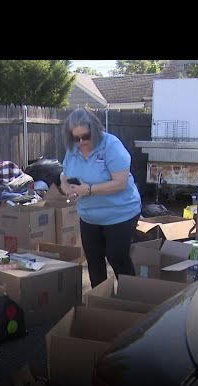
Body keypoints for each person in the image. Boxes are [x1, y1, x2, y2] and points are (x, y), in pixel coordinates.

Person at [60, 108, 142, 288]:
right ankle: (101, 302)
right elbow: (63, 177)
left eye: (85, 136)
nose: (81, 142)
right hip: (89, 216)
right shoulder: (73, 150)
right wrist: (68, 189)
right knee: (94, 262)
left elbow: (120, 183)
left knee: (117, 257)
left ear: (95, 130)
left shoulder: (111, 145)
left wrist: (88, 190)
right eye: (76, 138)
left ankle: (133, 300)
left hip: (120, 213)